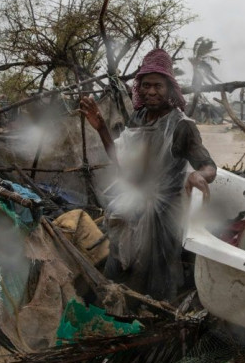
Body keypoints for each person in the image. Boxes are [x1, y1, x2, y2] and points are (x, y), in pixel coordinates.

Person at [80, 48, 216, 301]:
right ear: (139, 88)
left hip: (164, 212)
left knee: (158, 272)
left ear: (170, 90)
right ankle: (122, 310)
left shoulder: (182, 126)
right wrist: (101, 128)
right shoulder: (139, 118)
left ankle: (157, 317)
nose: (151, 91)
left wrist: (199, 175)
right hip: (133, 204)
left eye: (158, 86)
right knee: (122, 263)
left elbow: (209, 165)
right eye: (146, 85)